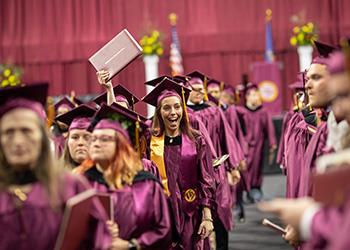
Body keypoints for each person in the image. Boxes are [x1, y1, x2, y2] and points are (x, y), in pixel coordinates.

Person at [0, 83, 112, 249]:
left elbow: (100, 243)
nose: (17, 141)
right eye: (8, 132)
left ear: (43, 137)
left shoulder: (72, 188)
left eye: (26, 131)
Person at [73, 103, 172, 249]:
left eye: (104, 139)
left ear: (121, 145)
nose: (96, 144)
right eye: (93, 139)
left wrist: (131, 245)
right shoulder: (81, 183)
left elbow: (164, 231)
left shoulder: (147, 185)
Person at [142, 78, 216, 250]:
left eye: (177, 106)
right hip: (161, 213)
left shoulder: (196, 139)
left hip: (192, 213)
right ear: (159, 112)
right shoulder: (148, 139)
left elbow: (206, 178)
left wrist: (207, 216)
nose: (173, 112)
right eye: (166, 108)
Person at [236, 83, 277, 201]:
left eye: (256, 94)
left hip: (258, 145)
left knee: (256, 167)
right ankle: (244, 190)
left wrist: (272, 143)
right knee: (244, 167)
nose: (255, 97)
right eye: (252, 94)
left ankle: (255, 189)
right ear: (247, 97)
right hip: (244, 145)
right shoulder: (241, 111)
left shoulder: (263, 111)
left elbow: (269, 128)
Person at [55, 104, 96, 169]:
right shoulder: (54, 175)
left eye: (87, 137)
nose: (80, 143)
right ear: (67, 141)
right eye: (75, 137)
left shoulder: (108, 176)